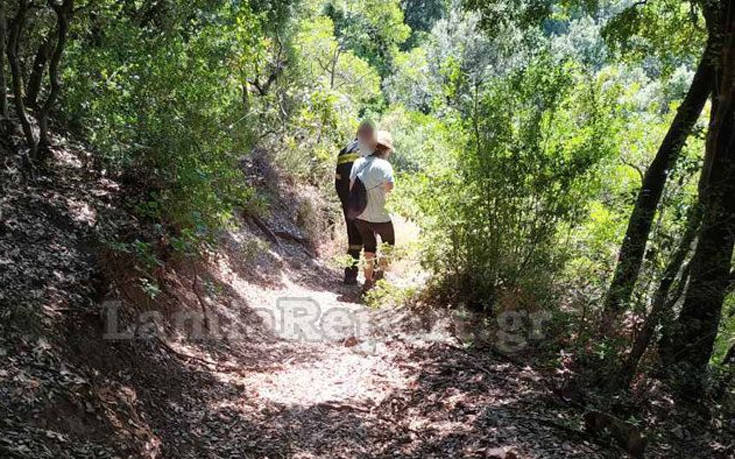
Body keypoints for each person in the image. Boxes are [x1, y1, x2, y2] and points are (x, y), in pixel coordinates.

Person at [349, 130, 395, 292]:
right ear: (385, 150)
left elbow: (351, 187)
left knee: (369, 247)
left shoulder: (358, 163)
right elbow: (389, 187)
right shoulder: (385, 166)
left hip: (361, 215)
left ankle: (367, 281)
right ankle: (380, 276)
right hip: (381, 216)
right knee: (389, 245)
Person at [335, 120, 376, 284]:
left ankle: (350, 275)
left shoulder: (344, 151)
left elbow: (338, 181)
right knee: (370, 241)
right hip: (366, 202)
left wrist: (346, 201)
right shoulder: (371, 150)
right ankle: (370, 280)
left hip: (349, 202)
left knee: (353, 238)